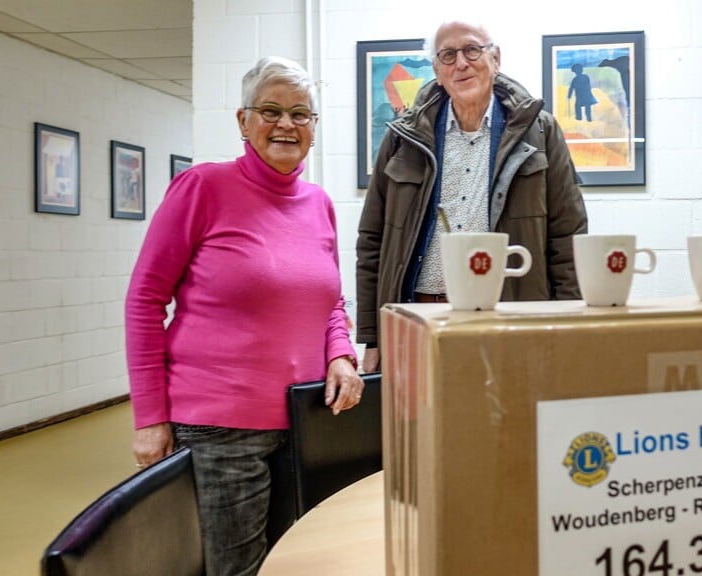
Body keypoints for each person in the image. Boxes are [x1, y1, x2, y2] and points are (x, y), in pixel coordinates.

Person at [125, 56, 363, 575]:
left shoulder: (318, 203)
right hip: (219, 429)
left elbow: (329, 303)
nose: (286, 124)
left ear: (314, 128)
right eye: (270, 110)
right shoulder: (202, 188)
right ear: (243, 121)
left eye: (300, 114)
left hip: (306, 422)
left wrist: (341, 354)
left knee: (296, 561)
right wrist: (150, 417)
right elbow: (144, 301)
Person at [356, 20, 588, 372]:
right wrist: (373, 338)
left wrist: (569, 326)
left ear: (495, 58)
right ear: (436, 70)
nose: (460, 63)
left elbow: (567, 236)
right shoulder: (402, 138)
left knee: (507, 423)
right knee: (421, 425)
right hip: (417, 317)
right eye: (447, 55)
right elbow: (372, 240)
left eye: (472, 50)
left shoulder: (540, 131)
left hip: (508, 317)